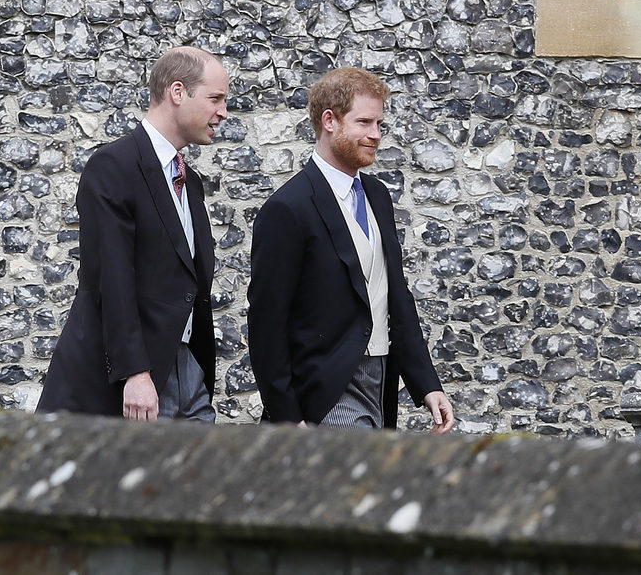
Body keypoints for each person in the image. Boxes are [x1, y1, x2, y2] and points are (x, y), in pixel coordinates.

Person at [248, 67, 455, 433]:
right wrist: (286, 414)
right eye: (364, 123)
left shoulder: (377, 195)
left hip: (381, 380)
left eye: (379, 124)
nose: (375, 135)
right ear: (329, 120)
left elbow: (395, 297)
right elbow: (266, 323)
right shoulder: (288, 208)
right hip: (326, 390)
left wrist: (427, 385)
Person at [37, 46, 228, 422]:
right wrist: (135, 373)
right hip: (132, 377)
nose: (223, 111)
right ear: (177, 92)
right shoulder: (114, 166)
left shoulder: (191, 184)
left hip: (188, 370)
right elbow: (113, 276)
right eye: (216, 98)